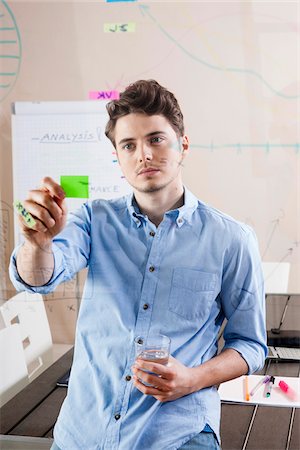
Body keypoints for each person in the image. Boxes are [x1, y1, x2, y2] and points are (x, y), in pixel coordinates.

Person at [9, 80, 267, 450]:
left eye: (156, 139)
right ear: (118, 157)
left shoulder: (232, 239)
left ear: (183, 145)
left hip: (177, 435)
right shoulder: (93, 220)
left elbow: (251, 345)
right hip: (83, 435)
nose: (143, 154)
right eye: (128, 145)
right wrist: (37, 244)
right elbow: (39, 278)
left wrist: (192, 378)